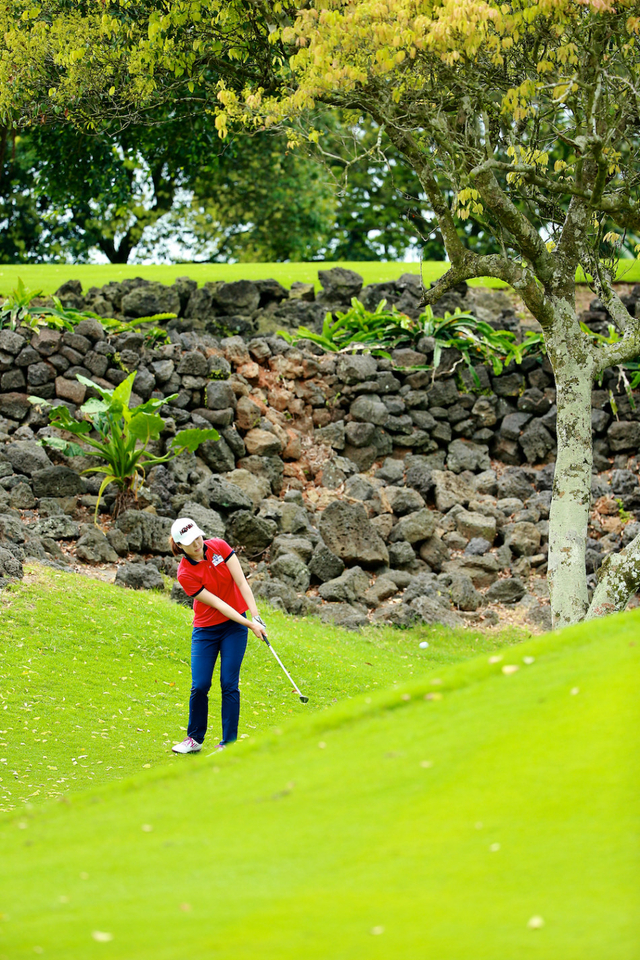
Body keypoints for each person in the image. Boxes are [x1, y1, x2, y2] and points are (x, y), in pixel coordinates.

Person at [169, 517, 266, 755]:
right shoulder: (185, 574)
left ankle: (228, 743)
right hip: (206, 630)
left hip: (234, 628)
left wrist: (256, 617)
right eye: (190, 542)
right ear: (180, 546)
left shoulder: (219, 547)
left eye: (198, 537)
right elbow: (220, 605)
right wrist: (249, 624)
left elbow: (242, 583)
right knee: (200, 685)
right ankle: (195, 738)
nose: (197, 544)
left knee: (229, 683)